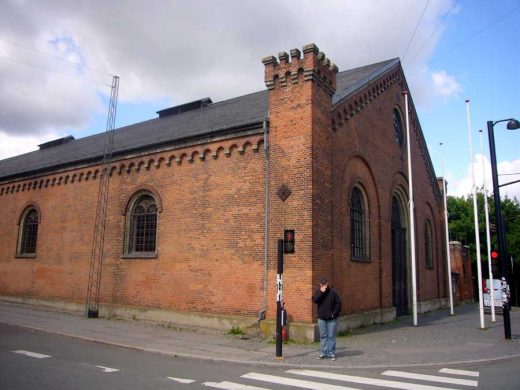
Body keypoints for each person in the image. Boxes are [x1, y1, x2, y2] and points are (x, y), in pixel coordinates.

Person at [312, 278, 341, 360]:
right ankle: (323, 353)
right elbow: (314, 300)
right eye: (322, 284)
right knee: (323, 336)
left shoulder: (333, 292)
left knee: (331, 336)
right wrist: (321, 292)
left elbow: (338, 304)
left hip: (331, 319)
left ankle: (331, 353)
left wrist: (334, 314)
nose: (324, 285)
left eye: (325, 284)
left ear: (327, 284)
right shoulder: (318, 292)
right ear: (320, 284)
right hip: (321, 318)